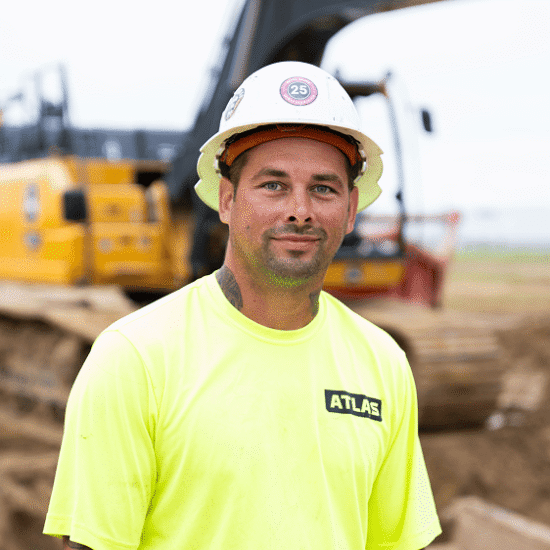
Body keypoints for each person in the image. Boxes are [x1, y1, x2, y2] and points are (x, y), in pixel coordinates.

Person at [44, 61, 441, 550]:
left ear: (351, 209)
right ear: (227, 200)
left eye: (323, 187)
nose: (300, 209)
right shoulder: (136, 358)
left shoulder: (382, 364)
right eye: (273, 185)